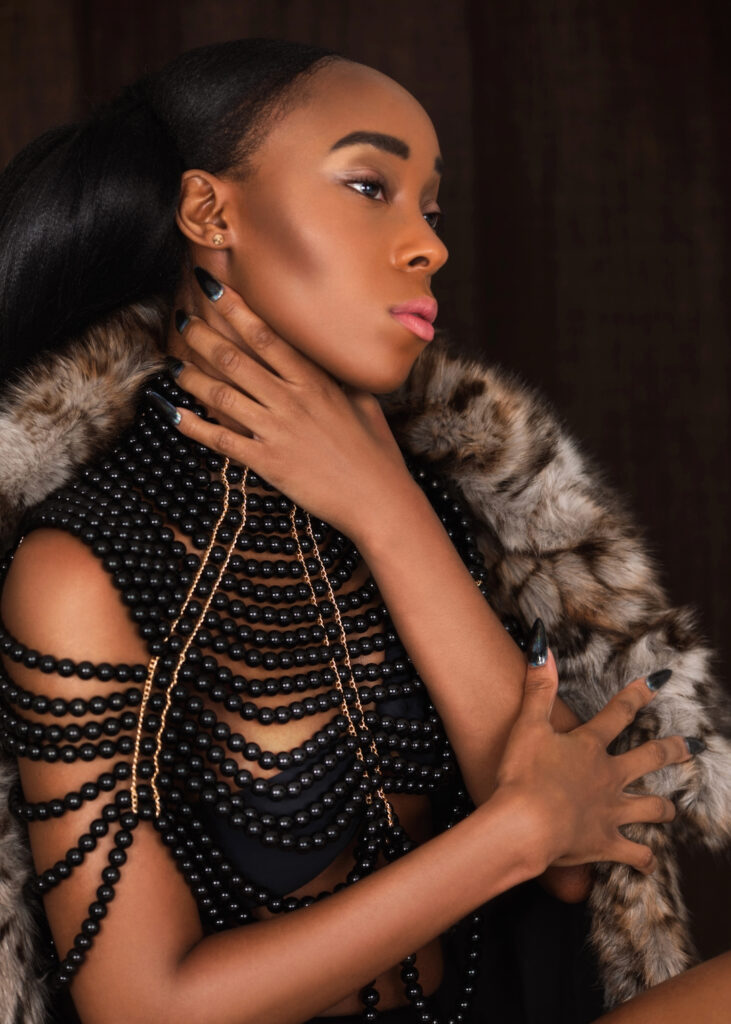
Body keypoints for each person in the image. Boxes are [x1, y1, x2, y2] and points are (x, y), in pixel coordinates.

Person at [0, 38, 729, 1024]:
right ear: (210, 212)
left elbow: (579, 859)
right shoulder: (81, 565)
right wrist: (508, 833)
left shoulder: (431, 498)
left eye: (430, 207)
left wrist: (387, 512)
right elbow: (143, 1004)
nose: (428, 243)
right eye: (367, 185)